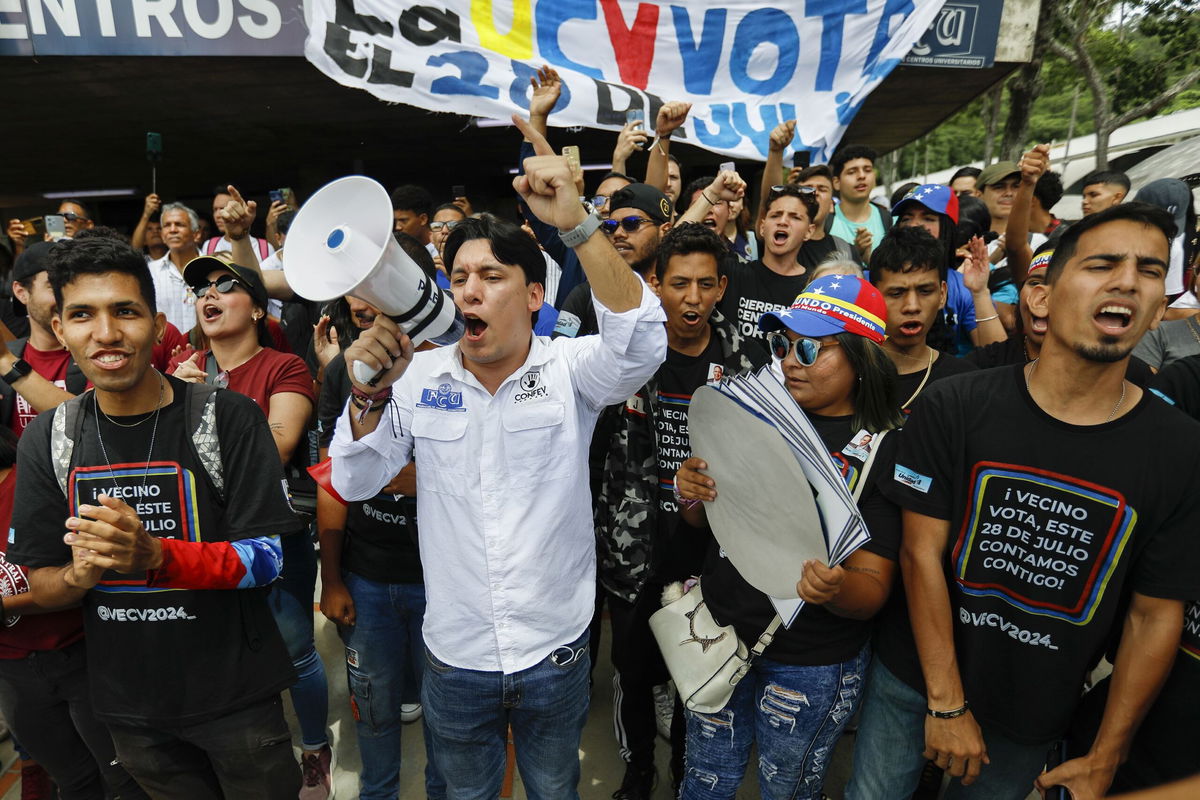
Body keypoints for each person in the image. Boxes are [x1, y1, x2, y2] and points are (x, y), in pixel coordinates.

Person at [328, 117, 666, 799]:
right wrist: (365, 394)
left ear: (535, 294)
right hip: (456, 658)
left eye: (491, 274)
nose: (470, 290)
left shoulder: (571, 367)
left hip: (556, 649)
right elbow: (354, 477)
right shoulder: (415, 377)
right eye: (459, 277)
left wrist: (577, 222)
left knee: (552, 788)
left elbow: (641, 342)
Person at [846, 202, 1200, 800]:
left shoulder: (1182, 450)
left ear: (1159, 311)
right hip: (913, 680)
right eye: (1103, 264)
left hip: (1032, 712)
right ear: (1040, 296)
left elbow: (1153, 614)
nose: (1125, 281)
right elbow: (920, 554)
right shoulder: (955, 405)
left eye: (1148, 271)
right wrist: (947, 702)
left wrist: (1105, 757)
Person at [9, 234, 301, 798]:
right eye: (82, 315)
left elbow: (267, 560)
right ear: (62, 331)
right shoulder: (50, 438)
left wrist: (155, 556)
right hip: (128, 709)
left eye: (125, 311)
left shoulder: (227, 418)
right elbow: (39, 576)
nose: (107, 333)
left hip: (235, 700)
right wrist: (80, 576)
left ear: (158, 323)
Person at [674, 273, 905, 800]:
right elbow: (707, 524)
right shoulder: (754, 410)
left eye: (810, 348)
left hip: (812, 661)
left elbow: (872, 588)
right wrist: (691, 493)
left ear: (861, 356)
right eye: (781, 344)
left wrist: (835, 587)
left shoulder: (884, 450)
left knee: (790, 788)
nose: (789, 359)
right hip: (719, 635)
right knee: (704, 782)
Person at [594, 223, 768, 799]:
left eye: (703, 285)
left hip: (715, 548)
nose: (691, 298)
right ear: (654, 286)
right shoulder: (625, 354)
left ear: (721, 287)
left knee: (698, 671)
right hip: (636, 544)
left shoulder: (750, 359)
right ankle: (637, 769)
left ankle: (684, 769)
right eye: (677, 284)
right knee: (635, 671)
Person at [165, 253, 330, 797]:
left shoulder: (284, 367)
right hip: (203, 539)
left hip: (271, 534)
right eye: (201, 289)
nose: (208, 295)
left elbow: (279, 443)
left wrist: (205, 400)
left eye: (225, 286)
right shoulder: (179, 370)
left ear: (259, 308)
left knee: (295, 650)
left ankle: (313, 749)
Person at [0, 423, 149, 800]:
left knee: (126, 776)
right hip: (13, 670)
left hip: (81, 653)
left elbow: (79, 581)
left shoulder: (26, 483)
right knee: (73, 779)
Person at [0, 238, 188, 437]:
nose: (106, 335)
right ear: (21, 292)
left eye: (124, 312)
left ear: (157, 327)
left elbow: (99, 423)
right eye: (54, 287)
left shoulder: (103, 355)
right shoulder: (13, 353)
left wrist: (7, 364)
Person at [967, 246, 1154, 387]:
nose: (1043, 297)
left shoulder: (1129, 374)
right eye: (1034, 283)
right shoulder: (982, 365)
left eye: (1060, 284)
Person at [868, 227, 978, 413]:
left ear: (942, 295)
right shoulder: (848, 375)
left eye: (925, 291)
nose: (912, 306)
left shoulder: (965, 381)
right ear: (872, 296)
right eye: (896, 293)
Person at [891, 184, 1006, 353]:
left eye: (928, 218)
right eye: (906, 218)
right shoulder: (873, 278)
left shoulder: (963, 287)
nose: (914, 225)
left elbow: (997, 358)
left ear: (947, 229)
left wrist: (979, 292)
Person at [554, 183, 674, 340]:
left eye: (632, 223)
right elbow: (561, 349)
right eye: (610, 226)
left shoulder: (679, 293)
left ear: (664, 231)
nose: (618, 233)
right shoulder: (585, 295)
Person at [717, 184, 817, 345]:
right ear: (762, 227)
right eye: (775, 215)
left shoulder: (813, 291)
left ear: (809, 231)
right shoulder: (733, 272)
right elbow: (673, 247)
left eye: (795, 217)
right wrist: (713, 192)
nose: (783, 222)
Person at [147, 202, 205, 332]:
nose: (173, 230)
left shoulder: (212, 268)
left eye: (179, 224)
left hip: (207, 350)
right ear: (162, 235)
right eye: (167, 225)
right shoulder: (150, 272)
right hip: (166, 350)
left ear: (196, 234)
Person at [828, 145, 891, 262]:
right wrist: (855, 252)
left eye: (867, 170)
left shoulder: (889, 220)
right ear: (836, 182)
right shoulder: (826, 222)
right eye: (852, 172)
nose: (861, 176)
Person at [202, 185, 274, 262]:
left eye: (223, 209)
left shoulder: (264, 248)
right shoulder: (209, 245)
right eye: (215, 209)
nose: (217, 215)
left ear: (240, 208)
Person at [391, 184, 437, 258]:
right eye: (395, 221)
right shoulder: (395, 252)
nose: (397, 227)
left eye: (403, 220)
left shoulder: (441, 252)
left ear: (423, 219)